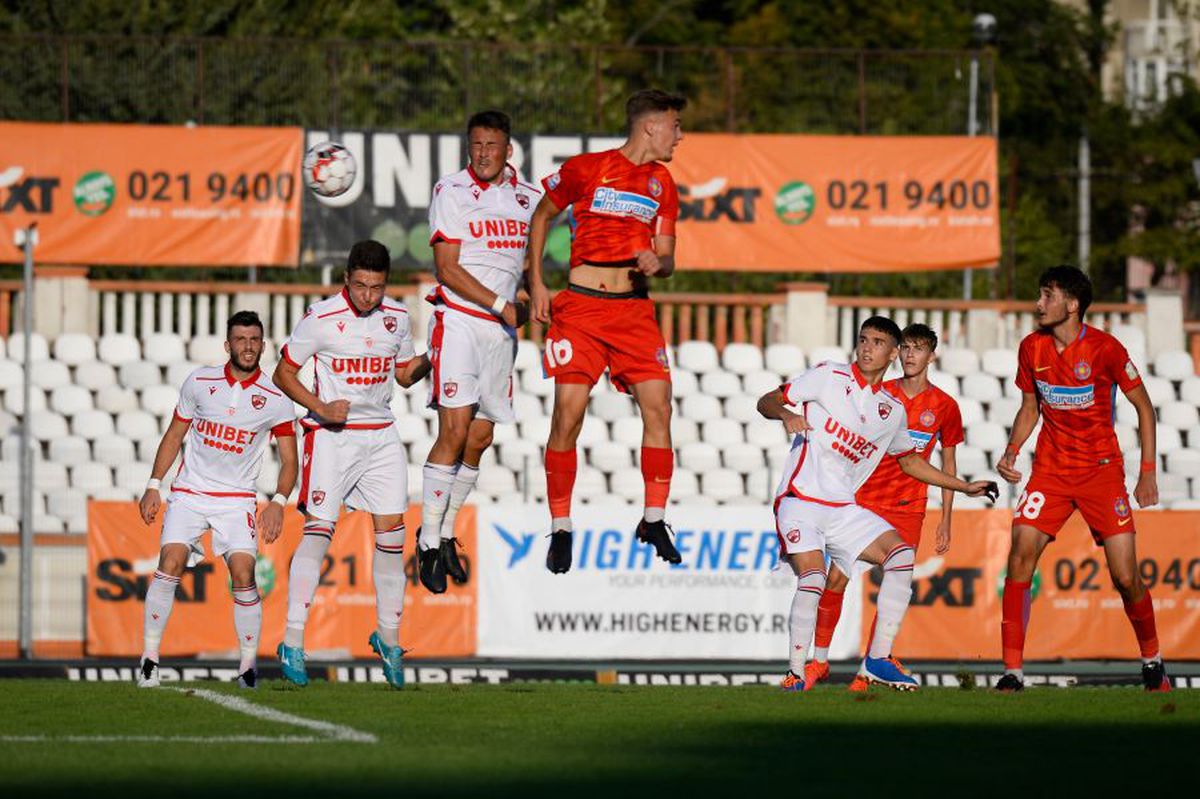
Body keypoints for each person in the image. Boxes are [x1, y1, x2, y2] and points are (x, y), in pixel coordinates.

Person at [757, 316, 997, 692]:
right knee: (817, 577)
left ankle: (878, 657)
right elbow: (767, 400)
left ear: (891, 353)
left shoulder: (891, 409)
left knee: (901, 556)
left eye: (878, 342)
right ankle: (796, 671)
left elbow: (911, 461)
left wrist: (964, 488)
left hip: (844, 508)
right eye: (863, 339)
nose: (868, 348)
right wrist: (787, 414)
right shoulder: (829, 376)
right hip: (800, 499)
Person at [527, 89, 686, 573]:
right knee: (568, 416)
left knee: (660, 406)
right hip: (582, 309)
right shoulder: (586, 168)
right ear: (650, 127)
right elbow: (542, 215)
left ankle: (654, 519)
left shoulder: (664, 183)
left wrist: (659, 263)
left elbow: (669, 259)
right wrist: (535, 281)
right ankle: (560, 526)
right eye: (675, 126)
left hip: (634, 311)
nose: (680, 136)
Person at [996, 265, 1166, 692]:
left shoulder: (1106, 349)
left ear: (1072, 305)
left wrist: (1147, 474)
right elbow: (1030, 407)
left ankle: (1153, 662)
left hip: (1102, 475)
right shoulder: (1031, 348)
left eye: (1047, 296)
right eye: (1040, 295)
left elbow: (1145, 408)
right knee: (1019, 556)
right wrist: (1012, 450)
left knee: (1126, 576)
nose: (1039, 304)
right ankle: (1012, 673)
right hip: (1050, 473)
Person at [273, 240, 431, 689]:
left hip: (380, 434)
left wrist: (433, 358)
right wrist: (320, 407)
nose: (368, 296)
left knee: (392, 535)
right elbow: (283, 373)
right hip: (332, 437)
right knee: (319, 532)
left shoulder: (397, 317)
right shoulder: (320, 319)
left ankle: (389, 639)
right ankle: (292, 641)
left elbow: (402, 374)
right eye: (360, 286)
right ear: (346, 279)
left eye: (376, 287)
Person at [136, 310, 298, 690]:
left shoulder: (275, 399)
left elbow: (290, 460)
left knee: (243, 574)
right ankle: (149, 660)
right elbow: (175, 435)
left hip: (237, 500)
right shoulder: (199, 381)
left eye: (255, 340)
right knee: (169, 562)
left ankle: (247, 668)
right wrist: (154, 483)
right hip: (190, 492)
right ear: (228, 345)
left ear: (263, 344)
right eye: (241, 340)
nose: (248, 347)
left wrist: (277, 501)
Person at [803, 323, 964, 691]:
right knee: (836, 578)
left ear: (931, 356)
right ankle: (820, 662)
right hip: (867, 500)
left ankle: (867, 669)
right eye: (905, 347)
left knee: (895, 581)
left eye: (918, 348)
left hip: (909, 507)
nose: (910, 354)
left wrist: (947, 518)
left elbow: (948, 463)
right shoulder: (880, 394)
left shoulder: (945, 406)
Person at [417, 110, 538, 593]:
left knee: (480, 439)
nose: (484, 153)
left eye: (492, 145)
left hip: (501, 333)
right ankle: (427, 542)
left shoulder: (529, 199)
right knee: (456, 427)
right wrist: (498, 304)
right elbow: (446, 268)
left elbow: (529, 267)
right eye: (477, 145)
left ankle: (446, 534)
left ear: (509, 150)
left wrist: (527, 300)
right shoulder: (451, 191)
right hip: (462, 320)